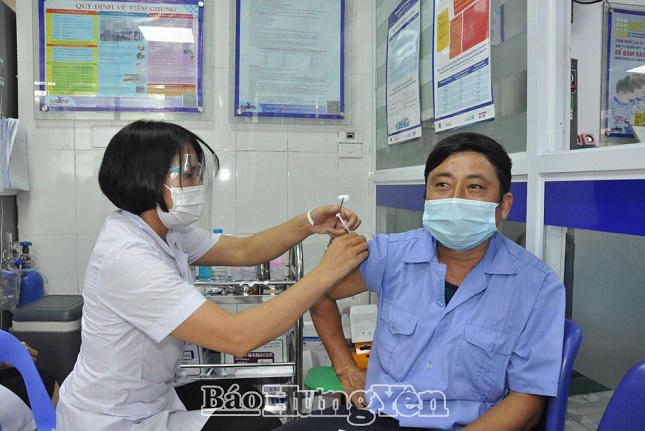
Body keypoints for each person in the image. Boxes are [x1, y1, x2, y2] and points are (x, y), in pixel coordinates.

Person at [55, 120, 369, 431]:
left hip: (151, 401)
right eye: (188, 174)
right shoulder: (127, 257)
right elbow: (236, 338)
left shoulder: (165, 231)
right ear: (145, 177)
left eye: (196, 174)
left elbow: (244, 251)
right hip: (114, 419)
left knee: (247, 396)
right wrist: (325, 273)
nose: (196, 184)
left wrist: (309, 223)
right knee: (259, 424)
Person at [276, 133, 566, 430]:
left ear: (503, 205)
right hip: (380, 417)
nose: (455, 198)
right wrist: (345, 367)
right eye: (442, 185)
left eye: (475, 186)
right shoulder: (391, 254)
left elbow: (528, 398)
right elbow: (318, 292)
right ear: (426, 198)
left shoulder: (537, 287)